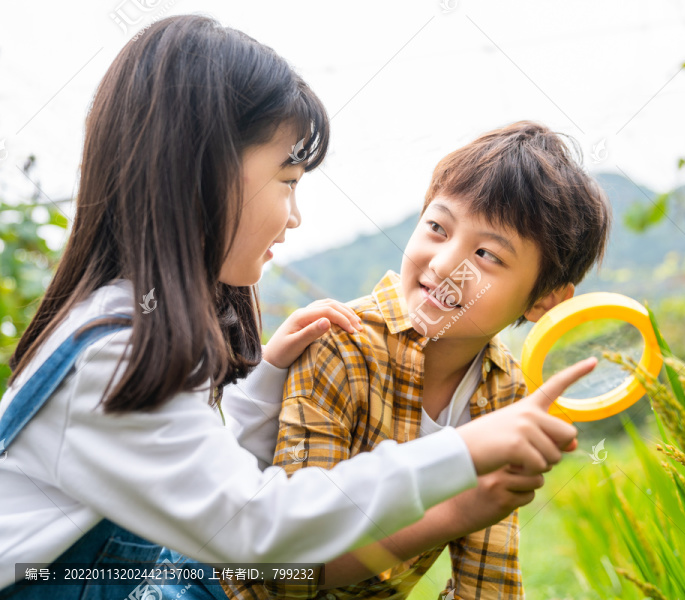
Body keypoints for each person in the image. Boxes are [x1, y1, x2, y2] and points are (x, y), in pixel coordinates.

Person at [0, 16, 596, 600]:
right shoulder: (115, 352)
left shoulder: (133, 331)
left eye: (489, 254)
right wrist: (464, 453)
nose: (294, 215)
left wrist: (262, 384)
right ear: (200, 173)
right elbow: (264, 535)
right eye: (287, 179)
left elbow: (198, 479)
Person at [224, 121, 612, 600]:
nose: (447, 264)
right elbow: (289, 570)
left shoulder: (505, 392)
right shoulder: (342, 348)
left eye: (488, 254)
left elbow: (488, 574)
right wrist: (457, 512)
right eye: (437, 227)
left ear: (544, 301)